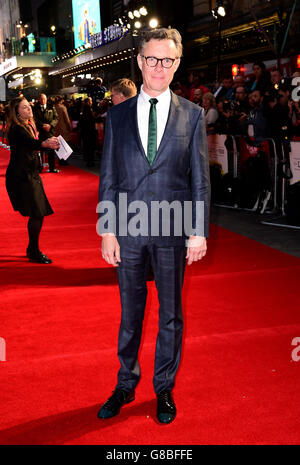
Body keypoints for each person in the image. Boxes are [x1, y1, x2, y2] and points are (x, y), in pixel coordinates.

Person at [97, 28, 210, 424]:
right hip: (127, 230)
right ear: (140, 61)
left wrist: (198, 230)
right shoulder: (117, 114)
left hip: (173, 230)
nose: (159, 67)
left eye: (168, 60)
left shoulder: (193, 115)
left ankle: (164, 388)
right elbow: (108, 175)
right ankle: (125, 385)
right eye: (152, 59)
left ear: (176, 64)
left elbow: (200, 179)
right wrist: (106, 229)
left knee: (170, 315)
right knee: (130, 314)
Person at [5, 97, 59, 264]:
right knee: (38, 212)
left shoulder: (28, 125)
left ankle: (32, 249)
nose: (29, 109)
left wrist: (47, 142)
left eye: (29, 106)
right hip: (22, 177)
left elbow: (35, 142)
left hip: (30, 174)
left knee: (38, 212)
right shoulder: (16, 129)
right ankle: (33, 250)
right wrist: (44, 144)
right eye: (25, 107)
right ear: (17, 112)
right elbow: (30, 143)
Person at [33, 94, 59, 173]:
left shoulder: (51, 107)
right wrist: (42, 126)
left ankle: (52, 168)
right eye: (41, 99)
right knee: (40, 152)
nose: (43, 101)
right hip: (40, 132)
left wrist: (50, 126)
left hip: (50, 132)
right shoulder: (35, 108)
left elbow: (56, 118)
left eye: (44, 99)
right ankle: (40, 168)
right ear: (39, 99)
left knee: (51, 151)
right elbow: (34, 119)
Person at [78, 97, 97, 167]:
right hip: (89, 131)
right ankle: (90, 161)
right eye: (91, 101)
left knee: (86, 146)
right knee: (90, 147)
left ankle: (88, 160)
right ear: (89, 102)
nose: (92, 102)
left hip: (85, 131)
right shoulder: (88, 109)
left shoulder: (83, 109)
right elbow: (91, 120)